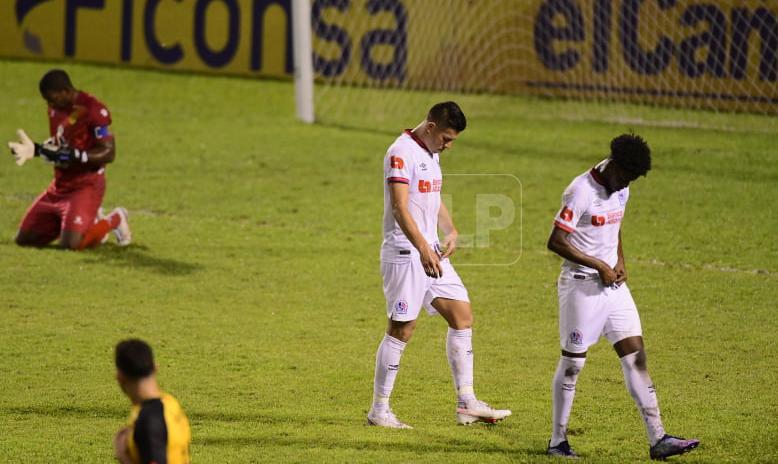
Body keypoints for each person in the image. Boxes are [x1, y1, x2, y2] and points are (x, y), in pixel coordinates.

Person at [545, 134, 700, 459]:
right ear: (613, 164)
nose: (625, 185)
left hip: (613, 289)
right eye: (624, 177)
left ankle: (658, 438)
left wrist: (620, 262)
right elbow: (556, 241)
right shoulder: (581, 191)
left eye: (631, 180)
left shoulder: (621, 186)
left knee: (636, 356)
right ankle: (557, 442)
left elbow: (615, 229)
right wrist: (599, 264)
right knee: (573, 364)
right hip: (580, 287)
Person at [368, 101, 511, 429]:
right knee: (402, 329)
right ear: (430, 127)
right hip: (406, 254)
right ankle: (379, 410)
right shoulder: (400, 153)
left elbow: (431, 197)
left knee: (462, 316)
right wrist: (422, 247)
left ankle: (466, 403)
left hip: (430, 252)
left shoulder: (431, 153)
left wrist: (451, 229)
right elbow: (400, 207)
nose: (449, 145)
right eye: (446, 138)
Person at [7, 69, 130, 250]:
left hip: (86, 185)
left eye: (52, 98)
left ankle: (114, 219)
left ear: (66, 91)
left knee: (72, 245)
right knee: (24, 240)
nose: (50, 104)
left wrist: (78, 155)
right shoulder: (54, 110)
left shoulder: (94, 109)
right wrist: (36, 150)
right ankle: (84, 221)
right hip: (59, 186)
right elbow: (61, 148)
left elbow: (109, 152)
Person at [114, 339, 191, 464]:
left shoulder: (149, 419)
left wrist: (123, 456)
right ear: (155, 368)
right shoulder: (170, 403)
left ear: (120, 378)